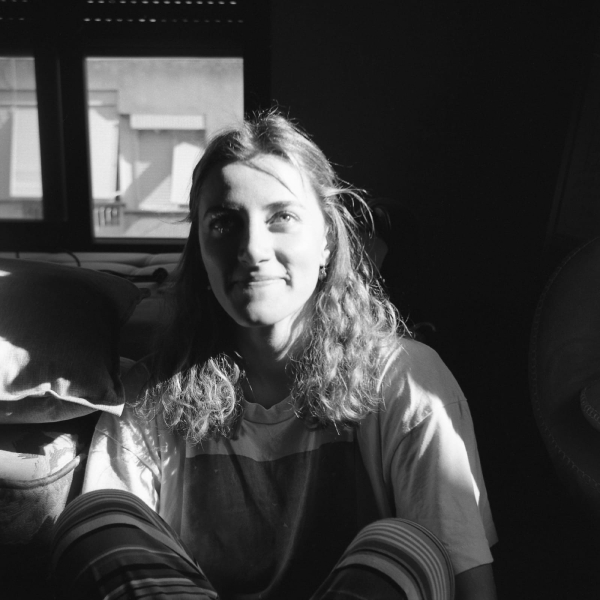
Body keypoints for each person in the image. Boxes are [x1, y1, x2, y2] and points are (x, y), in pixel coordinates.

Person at [50, 112, 497, 600]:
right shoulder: (150, 395)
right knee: (97, 516)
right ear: (200, 252)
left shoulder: (406, 378)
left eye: (282, 217)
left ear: (327, 240)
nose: (252, 249)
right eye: (224, 222)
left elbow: (469, 585)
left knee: (407, 545)